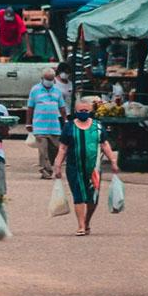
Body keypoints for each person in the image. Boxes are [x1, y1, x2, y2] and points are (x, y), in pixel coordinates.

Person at [53, 98, 120, 236]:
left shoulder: (98, 126)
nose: (83, 113)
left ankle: (87, 221)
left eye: (86, 110)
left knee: (92, 198)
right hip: (74, 167)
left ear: (91, 111)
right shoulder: (69, 127)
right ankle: (81, 225)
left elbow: (104, 144)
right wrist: (57, 165)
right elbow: (63, 148)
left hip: (93, 169)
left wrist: (113, 160)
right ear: (75, 111)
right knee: (78, 195)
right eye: (80, 111)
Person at [27, 68, 67, 179]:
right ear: (42, 79)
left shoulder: (57, 91)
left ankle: (50, 167)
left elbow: (62, 108)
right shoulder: (35, 90)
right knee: (43, 150)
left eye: (51, 79)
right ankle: (45, 171)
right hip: (39, 126)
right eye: (47, 79)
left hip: (54, 126)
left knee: (55, 148)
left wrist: (65, 121)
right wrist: (28, 123)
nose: (49, 81)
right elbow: (30, 107)